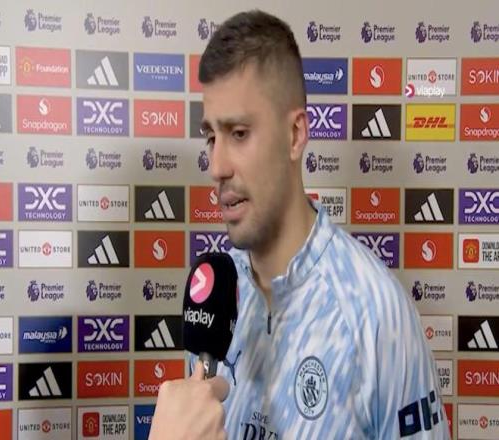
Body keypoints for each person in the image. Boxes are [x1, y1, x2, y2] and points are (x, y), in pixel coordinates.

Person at [149, 10, 450, 439]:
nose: (216, 166)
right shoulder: (214, 290)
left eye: (239, 133)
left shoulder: (376, 313)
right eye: (211, 137)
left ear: (295, 135)